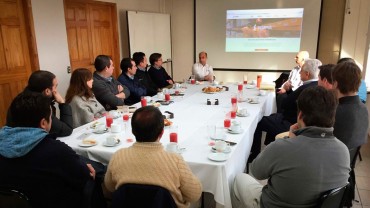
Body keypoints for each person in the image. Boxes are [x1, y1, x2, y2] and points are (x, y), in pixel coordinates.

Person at [232, 86, 350, 208]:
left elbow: (256, 172)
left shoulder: (281, 147)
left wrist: (289, 140)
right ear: (333, 116)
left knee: (238, 179)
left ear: (300, 115)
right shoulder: (344, 151)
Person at [0, 92, 100, 208]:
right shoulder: (57, 151)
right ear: (43, 123)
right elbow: (83, 177)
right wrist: (82, 167)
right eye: (51, 117)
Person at [104, 106, 202, 208]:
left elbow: (109, 186)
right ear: (162, 133)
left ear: (132, 131)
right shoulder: (174, 160)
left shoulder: (118, 156)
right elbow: (194, 195)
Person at [249, 59, 321, 162]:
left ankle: (255, 154)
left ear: (307, 74)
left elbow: (285, 104)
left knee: (258, 121)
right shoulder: (316, 86)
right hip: (300, 122)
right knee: (272, 117)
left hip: (292, 123)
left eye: (301, 71)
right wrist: (291, 91)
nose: (299, 73)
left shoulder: (305, 88)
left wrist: (288, 91)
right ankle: (270, 146)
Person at [6, 70, 73, 137]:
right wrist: (62, 103)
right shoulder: (40, 106)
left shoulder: (19, 100)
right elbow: (67, 130)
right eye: (55, 87)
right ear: (47, 91)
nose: (56, 91)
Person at [332, 61, 369, 149]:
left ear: (335, 84)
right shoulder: (364, 109)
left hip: (332, 159)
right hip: (350, 159)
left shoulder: (335, 112)